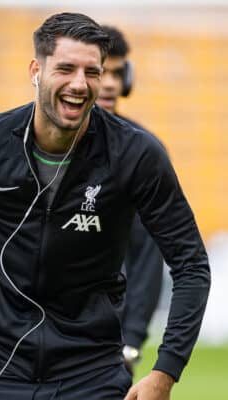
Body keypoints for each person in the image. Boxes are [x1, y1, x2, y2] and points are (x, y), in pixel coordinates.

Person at [0, 12, 210, 400]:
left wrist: (165, 371)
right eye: (66, 68)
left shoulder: (136, 154)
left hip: (92, 373)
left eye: (92, 72)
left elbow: (191, 264)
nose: (79, 84)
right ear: (36, 69)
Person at [98, 25, 165, 376]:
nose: (110, 83)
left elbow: (149, 255)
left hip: (110, 340)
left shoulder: (142, 151)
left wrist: (133, 338)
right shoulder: (40, 147)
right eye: (102, 71)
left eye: (118, 72)